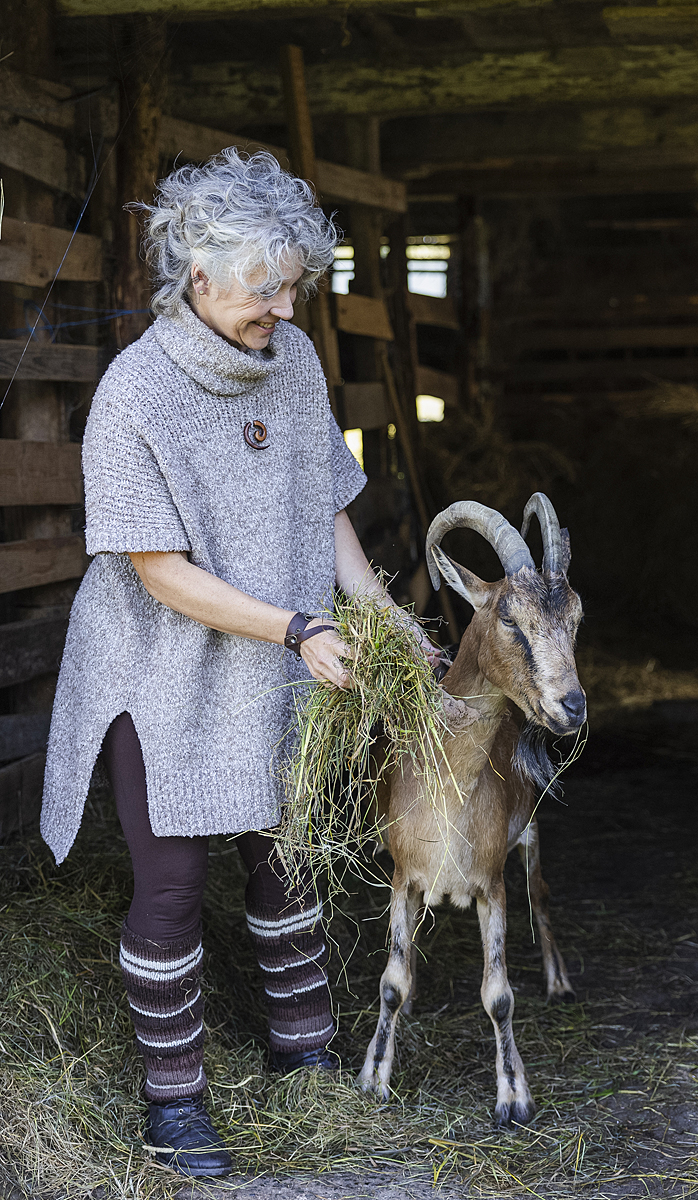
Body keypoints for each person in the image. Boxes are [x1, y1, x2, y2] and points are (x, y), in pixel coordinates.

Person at [40, 148, 437, 1179]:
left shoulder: (293, 359)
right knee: (174, 883)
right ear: (199, 273)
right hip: (159, 667)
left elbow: (322, 500)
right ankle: (173, 1103)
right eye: (267, 289)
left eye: (294, 285)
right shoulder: (134, 393)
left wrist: (379, 616)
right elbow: (158, 571)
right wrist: (298, 630)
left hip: (277, 647)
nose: (285, 307)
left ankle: (303, 1051)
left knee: (285, 852)